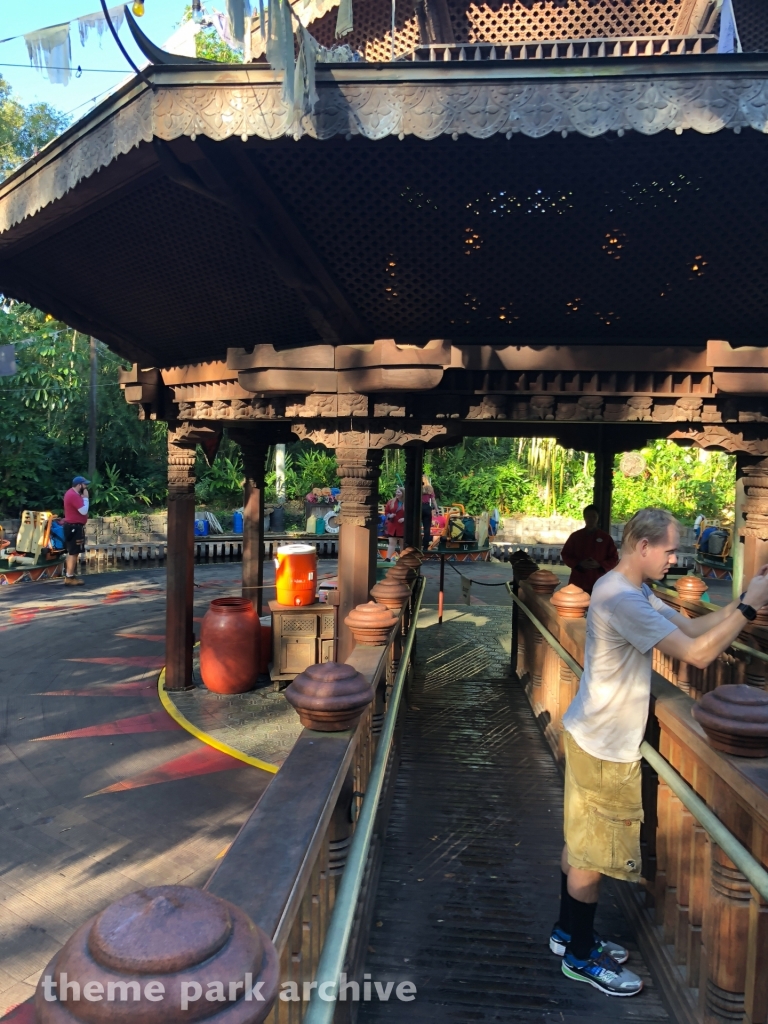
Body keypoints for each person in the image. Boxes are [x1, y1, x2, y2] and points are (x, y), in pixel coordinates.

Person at [551, 506, 768, 997]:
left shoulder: (631, 589)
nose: (676, 558)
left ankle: (568, 935)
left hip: (593, 733)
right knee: (590, 854)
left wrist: (742, 601)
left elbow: (691, 630)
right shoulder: (621, 599)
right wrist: (751, 607)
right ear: (643, 547)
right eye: (670, 550)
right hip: (604, 744)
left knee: (579, 843)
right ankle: (581, 957)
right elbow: (696, 655)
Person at [560, 504, 619, 594]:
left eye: (594, 516)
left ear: (598, 518)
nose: (591, 519)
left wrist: (600, 565)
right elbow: (566, 554)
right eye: (588, 516)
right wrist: (579, 563)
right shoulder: (576, 536)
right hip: (578, 579)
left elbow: (614, 558)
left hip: (599, 579)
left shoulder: (605, 538)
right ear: (584, 517)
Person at [62, 475, 90, 586]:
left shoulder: (74, 494)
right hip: (73, 527)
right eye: (85, 485)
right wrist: (86, 498)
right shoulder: (73, 495)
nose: (86, 487)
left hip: (74, 527)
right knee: (74, 552)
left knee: (73, 552)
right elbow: (83, 511)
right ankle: (69, 577)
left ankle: (70, 575)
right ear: (79, 485)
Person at [384, 486, 406, 560]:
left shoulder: (408, 502)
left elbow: (411, 514)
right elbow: (386, 512)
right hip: (393, 525)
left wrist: (405, 519)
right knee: (391, 542)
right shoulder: (391, 502)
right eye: (396, 492)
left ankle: (402, 558)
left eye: (399, 492)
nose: (397, 493)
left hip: (403, 526)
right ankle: (388, 558)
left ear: (403, 493)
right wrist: (390, 515)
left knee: (402, 543)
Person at [421, 478, 437, 551]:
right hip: (427, 507)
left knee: (415, 527)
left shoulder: (418, 488)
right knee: (427, 528)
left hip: (419, 507)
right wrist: (436, 509)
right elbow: (433, 500)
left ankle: (416, 544)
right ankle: (425, 546)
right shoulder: (430, 489)